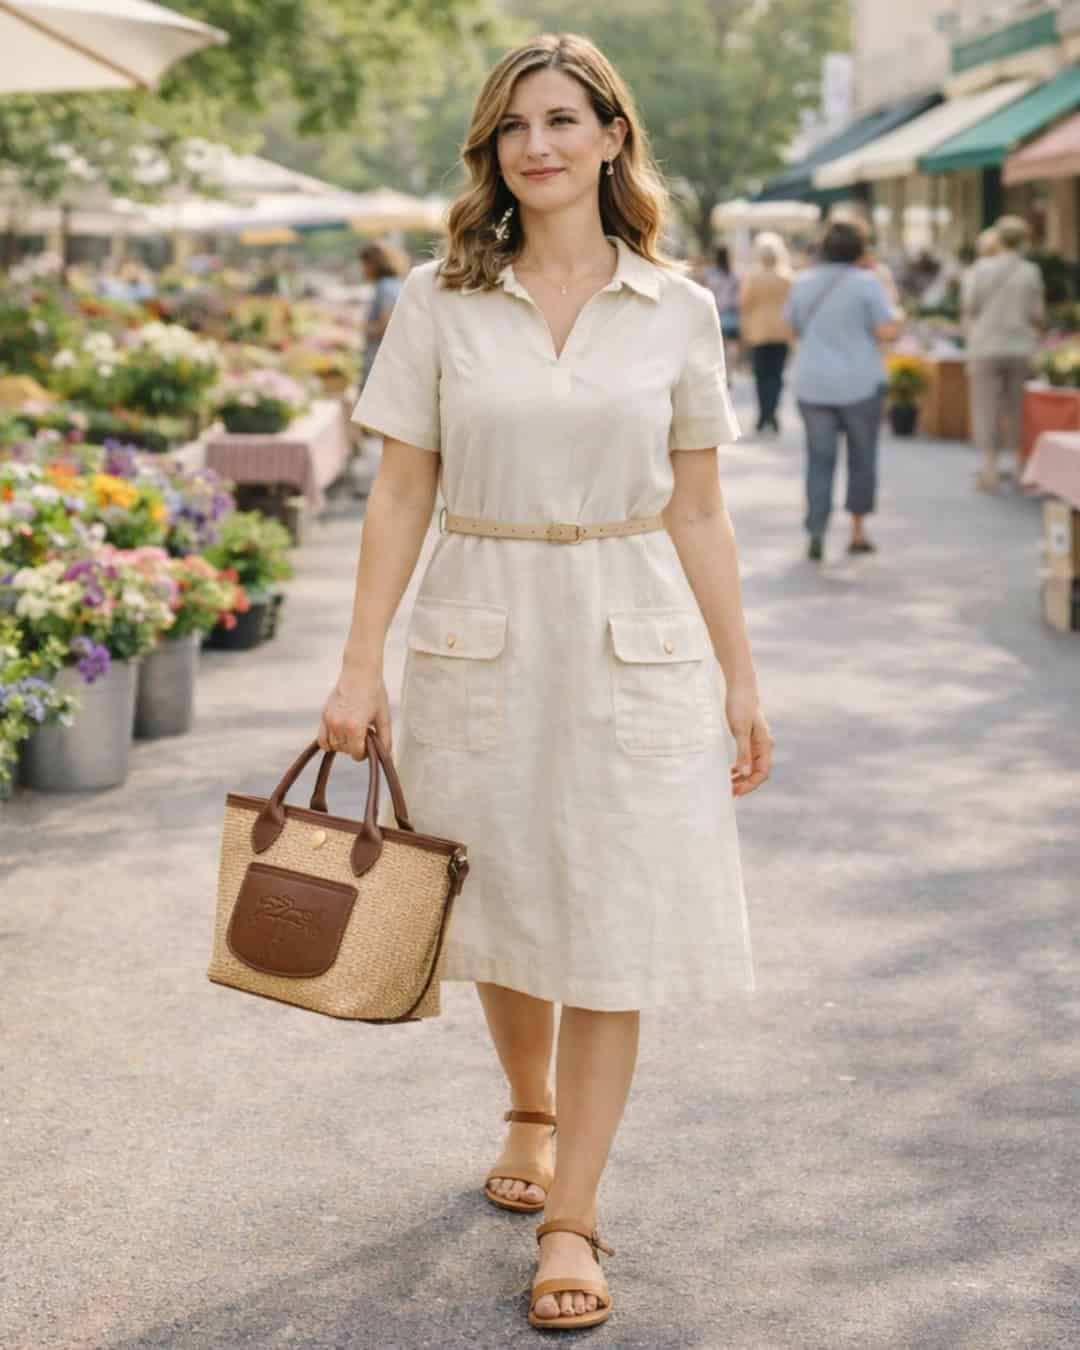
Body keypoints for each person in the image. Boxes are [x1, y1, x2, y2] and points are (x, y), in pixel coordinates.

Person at [319, 31, 771, 1334]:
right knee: (502, 892)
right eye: (517, 126)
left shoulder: (677, 308)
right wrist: (359, 660)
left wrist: (742, 677)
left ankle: (573, 1212)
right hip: (481, 617)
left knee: (613, 914)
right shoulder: (438, 297)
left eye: (567, 119)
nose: (541, 144)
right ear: (491, 151)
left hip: (633, 628)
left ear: (613, 136)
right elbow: (403, 485)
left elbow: (699, 512)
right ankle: (529, 1098)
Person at [784, 218, 903, 562]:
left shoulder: (802, 282)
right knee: (862, 458)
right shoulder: (868, 283)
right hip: (860, 383)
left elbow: (792, 328)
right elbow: (886, 331)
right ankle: (857, 531)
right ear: (860, 250)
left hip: (813, 384)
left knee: (819, 460)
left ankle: (816, 529)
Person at [963, 215, 1044, 493]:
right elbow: (1037, 314)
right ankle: (1021, 469)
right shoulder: (1030, 271)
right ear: (1024, 241)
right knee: (1017, 408)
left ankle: (989, 470)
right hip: (1020, 346)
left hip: (986, 346)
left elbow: (969, 307)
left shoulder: (981, 269)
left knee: (985, 407)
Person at [738, 231, 793, 433]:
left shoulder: (752, 278)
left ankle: (764, 414)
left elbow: (744, 304)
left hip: (758, 332)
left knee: (761, 376)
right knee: (777, 376)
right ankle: (772, 413)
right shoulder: (787, 277)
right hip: (781, 332)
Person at [359, 239, 409, 385]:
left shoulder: (385, 287)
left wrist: (360, 326)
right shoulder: (394, 284)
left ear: (373, 263)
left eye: (364, 264)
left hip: (380, 363)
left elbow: (386, 326)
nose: (362, 269)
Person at [704, 244, 741, 370]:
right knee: (732, 344)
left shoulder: (710, 274)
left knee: (717, 344)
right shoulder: (733, 274)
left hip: (715, 312)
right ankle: (730, 370)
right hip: (731, 313)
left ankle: (720, 370)